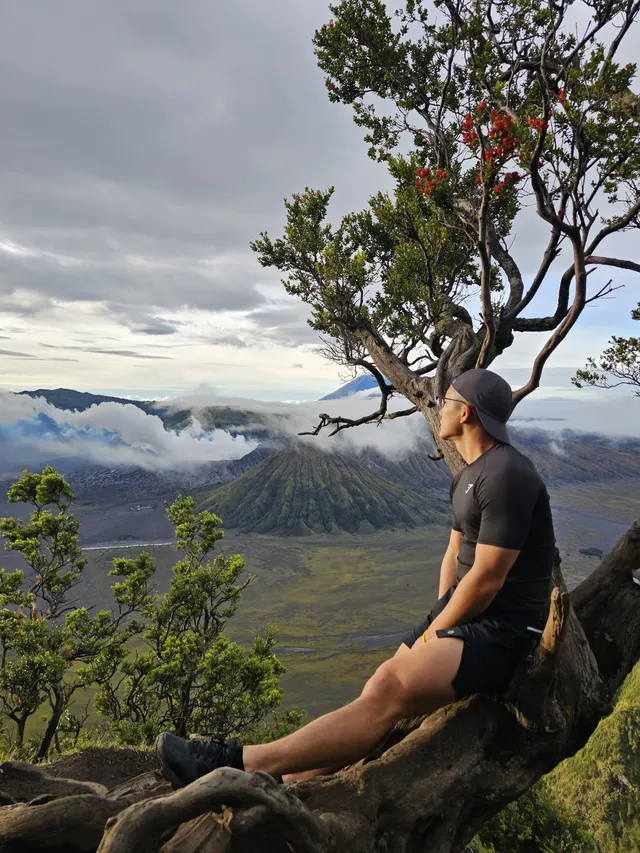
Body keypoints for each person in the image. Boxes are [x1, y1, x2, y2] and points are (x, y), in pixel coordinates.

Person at [156, 368, 556, 789]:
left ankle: (236, 761)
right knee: (378, 689)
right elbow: (455, 554)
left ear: (467, 413)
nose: (439, 407)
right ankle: (293, 783)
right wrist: (441, 617)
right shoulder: (469, 474)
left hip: (507, 631)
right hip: (469, 615)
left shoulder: (508, 475)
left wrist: (439, 633)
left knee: (388, 685)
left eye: (447, 401)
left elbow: (487, 578)